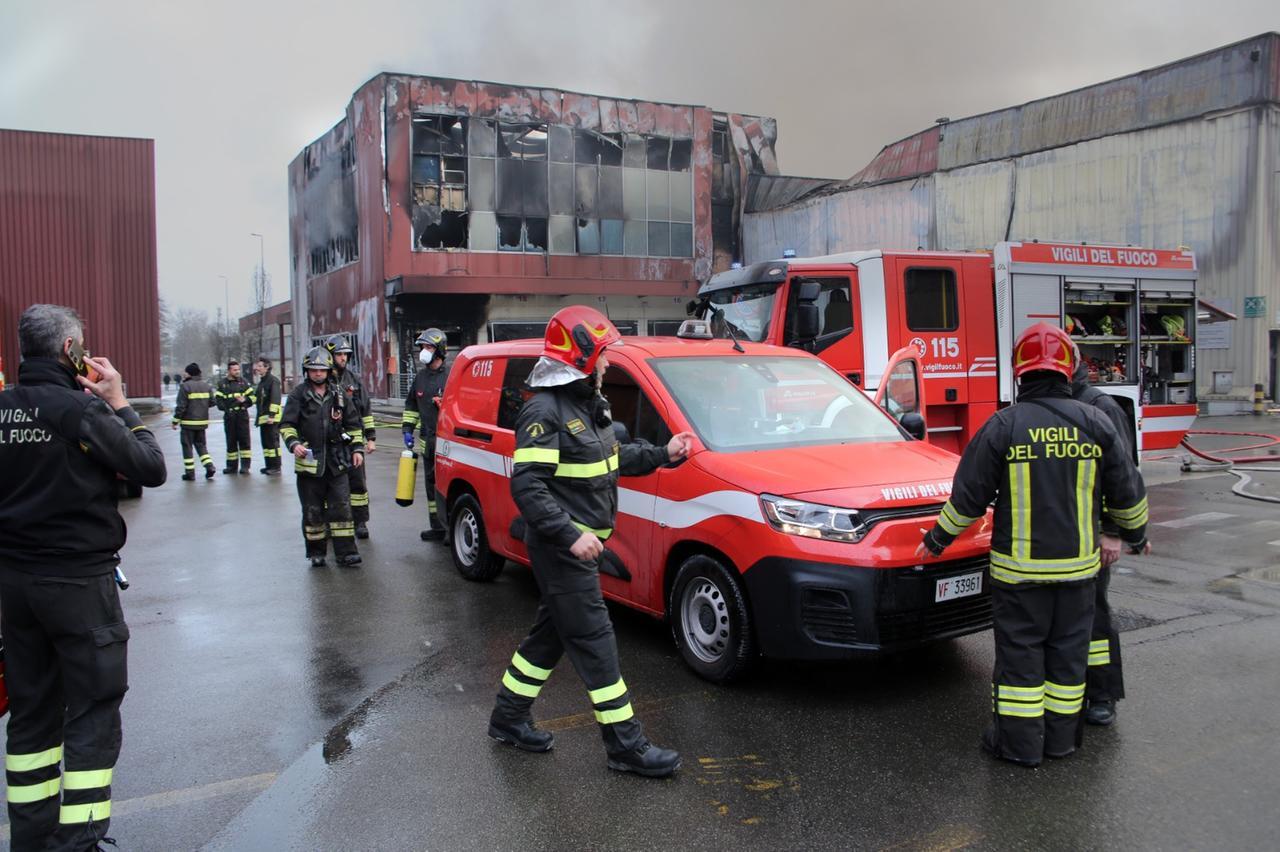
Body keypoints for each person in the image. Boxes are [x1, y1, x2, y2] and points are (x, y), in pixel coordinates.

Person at [916, 322, 1150, 768]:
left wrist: (937, 540)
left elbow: (968, 500)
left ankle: (1019, 748)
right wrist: (1136, 535)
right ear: (1069, 369)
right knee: (1067, 660)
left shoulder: (1002, 426)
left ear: (1019, 372)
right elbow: (1128, 492)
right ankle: (1060, 742)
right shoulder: (1097, 422)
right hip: (1078, 574)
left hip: (1019, 577)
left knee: (1020, 660)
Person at [487, 306, 694, 778]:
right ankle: (626, 746)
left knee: (552, 635)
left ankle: (508, 716)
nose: (607, 364)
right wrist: (571, 534)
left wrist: (665, 453)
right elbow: (528, 487)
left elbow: (612, 459)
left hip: (579, 548)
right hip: (562, 550)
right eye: (602, 356)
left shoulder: (587, 405)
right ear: (580, 357)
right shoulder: (544, 410)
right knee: (596, 641)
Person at [0, 304, 166, 850]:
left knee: (31, 715)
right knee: (92, 714)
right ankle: (79, 842)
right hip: (77, 584)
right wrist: (118, 401)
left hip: (16, 586)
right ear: (71, 351)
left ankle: (31, 837)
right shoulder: (79, 412)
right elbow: (150, 466)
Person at [1070, 346, 1136, 727]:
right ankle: (1071, 691)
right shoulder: (1050, 402)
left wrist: (1112, 532)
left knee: (1094, 618)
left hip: (1092, 535)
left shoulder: (1100, 407)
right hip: (1060, 536)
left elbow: (1123, 477)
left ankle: (1102, 695)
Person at [280, 346, 365, 568]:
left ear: (328, 371)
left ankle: (346, 553)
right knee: (312, 510)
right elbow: (287, 425)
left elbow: (353, 425)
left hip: (337, 463)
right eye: (313, 369)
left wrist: (357, 449)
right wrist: (294, 443)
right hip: (309, 464)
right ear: (307, 370)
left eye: (322, 370)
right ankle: (316, 552)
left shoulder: (339, 394)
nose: (318, 373)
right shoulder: (298, 395)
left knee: (342, 508)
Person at [401, 328, 450, 542]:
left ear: (439, 350)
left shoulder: (451, 376)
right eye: (422, 347)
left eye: (428, 347)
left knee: (446, 487)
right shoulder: (420, 378)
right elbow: (411, 405)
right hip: (427, 443)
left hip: (447, 444)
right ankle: (437, 527)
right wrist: (407, 429)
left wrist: (445, 406)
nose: (423, 351)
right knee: (431, 487)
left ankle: (450, 529)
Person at [326, 334, 376, 539]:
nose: (343, 358)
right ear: (330, 355)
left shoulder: (353, 381)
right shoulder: (321, 379)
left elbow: (366, 410)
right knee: (330, 484)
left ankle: (360, 522)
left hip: (352, 440)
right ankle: (330, 522)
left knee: (358, 483)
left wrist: (370, 438)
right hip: (331, 441)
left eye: (345, 354)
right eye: (339, 354)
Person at [172, 362, 215, 480]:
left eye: (185, 372)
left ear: (189, 373)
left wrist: (175, 421)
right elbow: (212, 402)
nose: (183, 374)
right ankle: (209, 466)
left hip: (188, 424)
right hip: (202, 423)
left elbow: (181, 407)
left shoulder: (185, 386)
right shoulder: (206, 386)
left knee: (187, 447)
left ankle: (190, 473)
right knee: (201, 446)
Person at [214, 358, 254, 475]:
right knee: (231, 441)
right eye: (235, 370)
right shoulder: (222, 384)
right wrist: (226, 409)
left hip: (242, 415)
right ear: (229, 371)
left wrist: (245, 400)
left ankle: (245, 466)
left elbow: (253, 397)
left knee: (244, 441)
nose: (237, 372)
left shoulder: (244, 382)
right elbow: (218, 400)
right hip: (230, 416)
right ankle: (231, 467)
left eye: (238, 370)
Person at [253, 356, 282, 475]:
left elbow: (275, 399)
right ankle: (269, 465)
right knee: (266, 443)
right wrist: (245, 400)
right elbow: (257, 398)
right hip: (263, 419)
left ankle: (276, 466)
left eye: (260, 366)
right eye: (257, 366)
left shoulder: (273, 381)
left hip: (271, 419)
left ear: (267, 367)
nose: (257, 368)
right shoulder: (262, 382)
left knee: (273, 443)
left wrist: (271, 415)